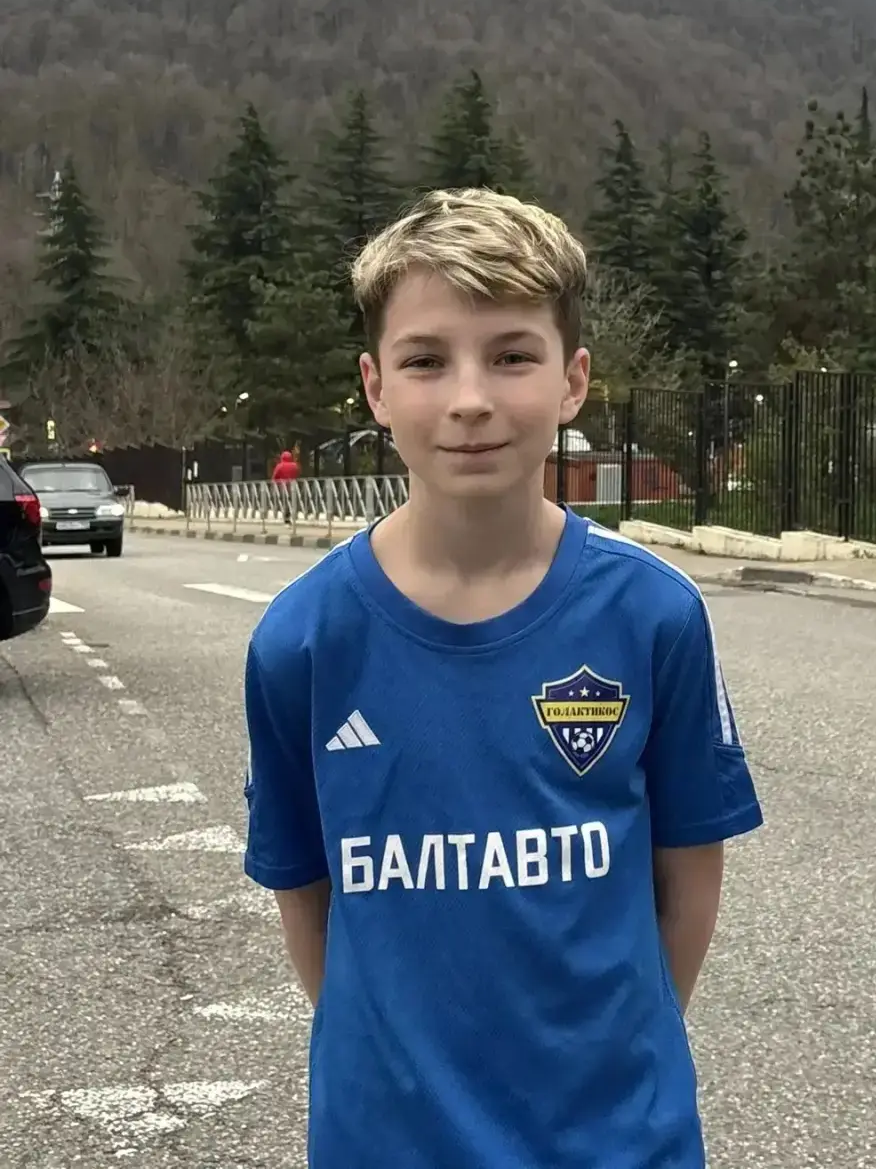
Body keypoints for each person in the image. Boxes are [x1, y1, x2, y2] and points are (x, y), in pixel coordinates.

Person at [241, 188, 763, 1169]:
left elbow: (687, 881)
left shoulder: (652, 615)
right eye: (426, 360)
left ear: (573, 381)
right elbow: (306, 898)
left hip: (617, 1142)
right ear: (374, 387)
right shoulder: (302, 641)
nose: (470, 398)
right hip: (384, 1143)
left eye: (512, 355)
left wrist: (611, 1075)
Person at [271, 447, 300, 523]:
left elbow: (274, 477)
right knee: (292, 500)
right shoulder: (295, 465)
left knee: (284, 501)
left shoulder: (279, 466)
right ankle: (292, 514)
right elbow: (297, 474)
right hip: (293, 486)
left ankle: (286, 516)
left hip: (282, 486)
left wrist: (273, 485)